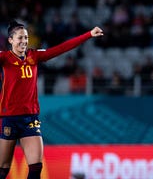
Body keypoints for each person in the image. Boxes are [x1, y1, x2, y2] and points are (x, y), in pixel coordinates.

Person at [0, 20, 103, 179]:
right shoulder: (4, 58)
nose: (24, 41)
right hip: (8, 118)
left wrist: (88, 35)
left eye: (26, 38)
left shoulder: (34, 55)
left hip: (30, 118)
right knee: (3, 168)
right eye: (20, 38)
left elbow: (62, 48)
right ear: (10, 40)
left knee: (36, 167)